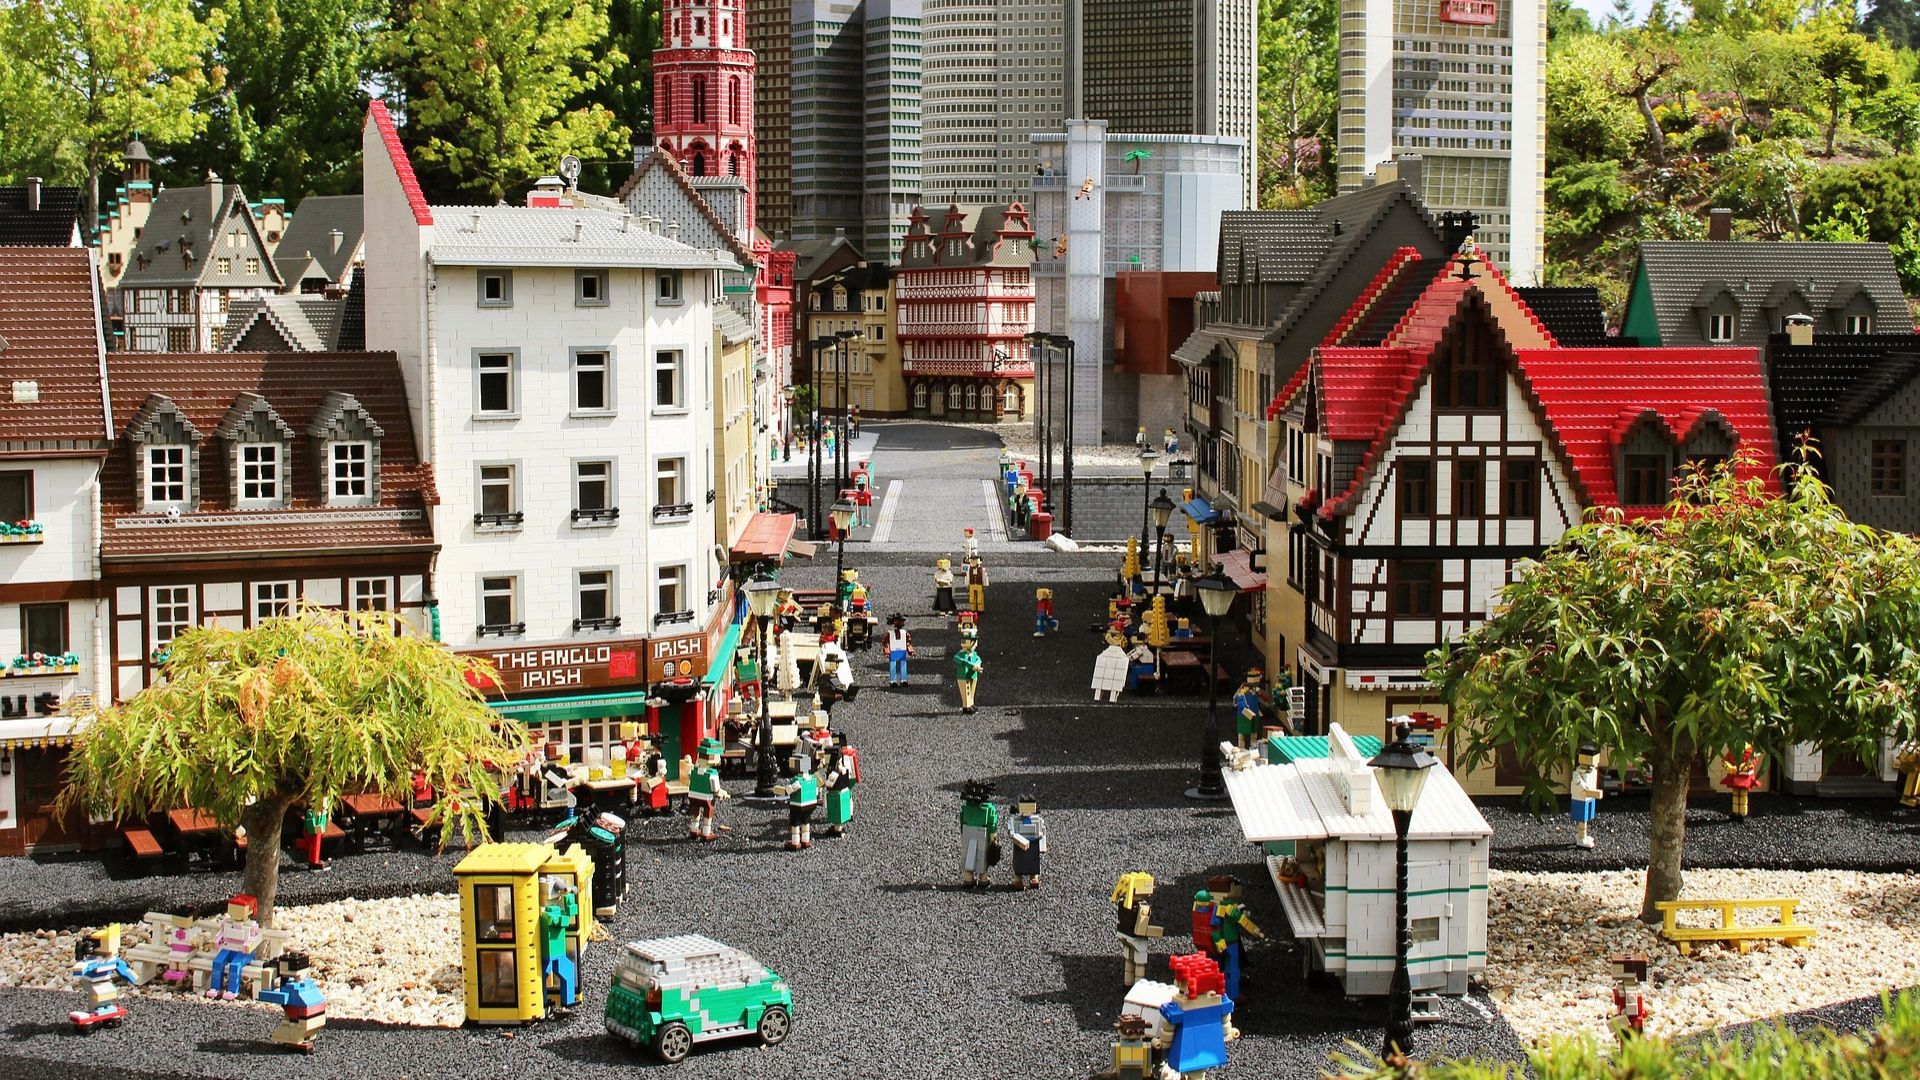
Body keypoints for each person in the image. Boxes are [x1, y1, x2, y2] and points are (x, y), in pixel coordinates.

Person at [1111, 872, 1165, 985]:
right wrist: (1159, 932)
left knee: (1129, 960)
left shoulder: (1123, 903)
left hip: (1124, 934)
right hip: (1137, 939)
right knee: (1139, 963)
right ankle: (1137, 987)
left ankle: (1127, 982)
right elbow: (1142, 927)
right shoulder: (1142, 907)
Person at [959, 779, 999, 887]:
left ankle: (968, 877)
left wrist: (963, 832)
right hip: (983, 832)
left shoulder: (966, 807)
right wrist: (993, 838)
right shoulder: (989, 809)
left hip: (968, 831)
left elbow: (962, 820)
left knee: (968, 854)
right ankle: (983, 878)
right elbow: (992, 824)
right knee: (983, 855)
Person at [1006, 794, 1047, 890]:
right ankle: (1018, 879)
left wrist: (1042, 846)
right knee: (1019, 863)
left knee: (1033, 862)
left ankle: (1033, 878)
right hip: (1020, 843)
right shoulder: (1015, 820)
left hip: (1034, 843)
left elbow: (1042, 832)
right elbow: (1011, 831)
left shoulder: (1037, 820)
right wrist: (1015, 837)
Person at [953, 639, 984, 714]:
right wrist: (971, 665)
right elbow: (958, 659)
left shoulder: (974, 654)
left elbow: (978, 659)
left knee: (972, 691)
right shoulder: (961, 654)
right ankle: (966, 706)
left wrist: (977, 665)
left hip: (973, 674)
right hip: (963, 676)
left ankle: (971, 704)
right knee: (966, 692)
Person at [885, 614, 914, 686]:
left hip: (902, 651)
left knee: (903, 665)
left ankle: (903, 680)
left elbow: (908, 643)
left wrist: (910, 650)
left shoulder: (904, 633)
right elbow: (886, 643)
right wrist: (887, 651)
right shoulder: (890, 634)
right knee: (893, 666)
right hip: (894, 651)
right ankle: (893, 681)